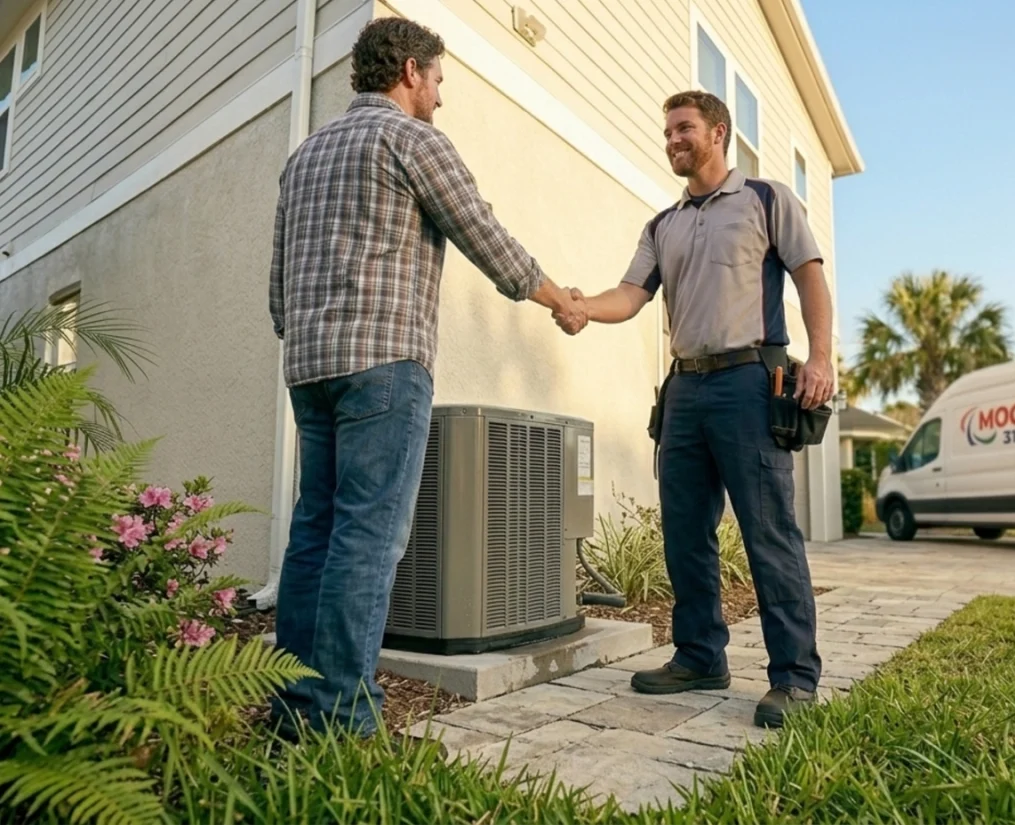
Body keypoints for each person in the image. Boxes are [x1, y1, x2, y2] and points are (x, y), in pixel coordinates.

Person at [268, 17, 587, 741]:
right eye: (439, 80)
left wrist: (304, 341)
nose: (441, 96)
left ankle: (291, 703)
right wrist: (557, 297)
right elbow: (485, 237)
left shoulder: (304, 154)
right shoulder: (410, 140)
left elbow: (279, 286)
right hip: (384, 364)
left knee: (313, 531)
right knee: (367, 535)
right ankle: (342, 714)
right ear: (411, 71)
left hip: (311, 370)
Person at [556, 90, 834, 729]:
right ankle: (700, 655)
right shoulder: (663, 224)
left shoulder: (765, 199)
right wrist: (578, 306)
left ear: (718, 132)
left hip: (749, 382)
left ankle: (794, 677)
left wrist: (819, 358)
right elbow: (629, 296)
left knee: (769, 533)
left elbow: (810, 275)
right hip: (683, 390)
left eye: (684, 128)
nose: (673, 139)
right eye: (668, 131)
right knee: (684, 532)